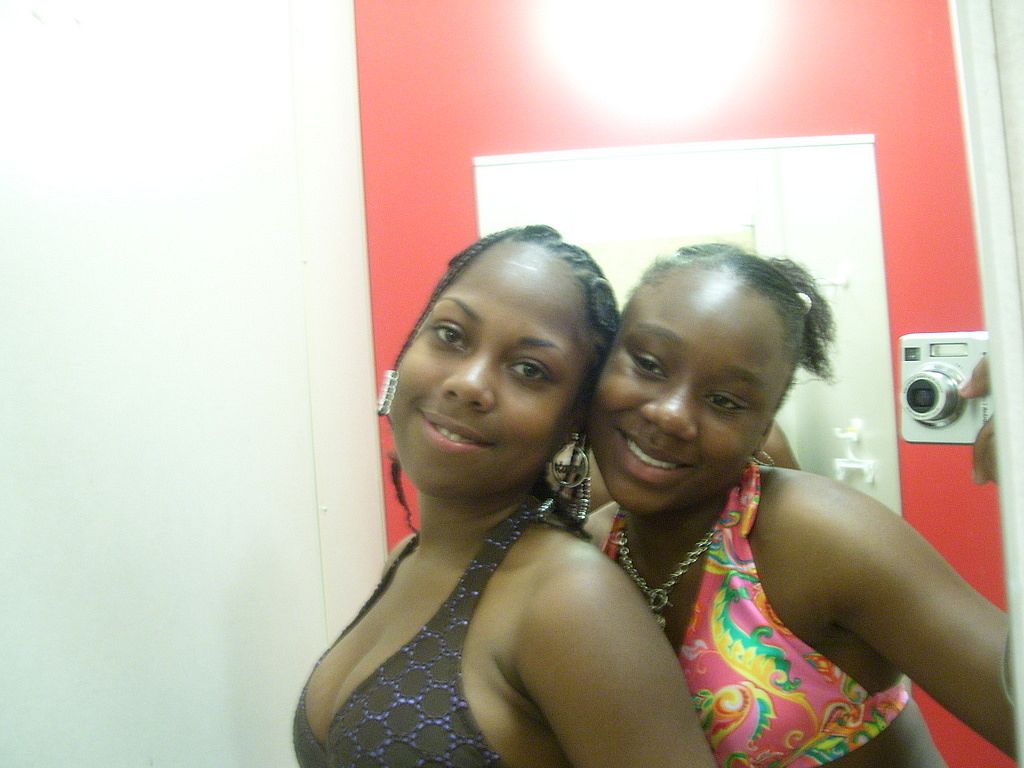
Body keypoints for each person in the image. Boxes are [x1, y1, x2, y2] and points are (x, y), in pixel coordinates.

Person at [293, 225, 716, 768]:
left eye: (529, 370)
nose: (469, 382)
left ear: (572, 420)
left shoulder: (569, 598)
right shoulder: (406, 560)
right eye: (450, 335)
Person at [585, 243, 1013, 766]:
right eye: (649, 364)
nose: (671, 414)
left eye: (724, 401)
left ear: (763, 428)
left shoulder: (817, 536)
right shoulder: (589, 549)